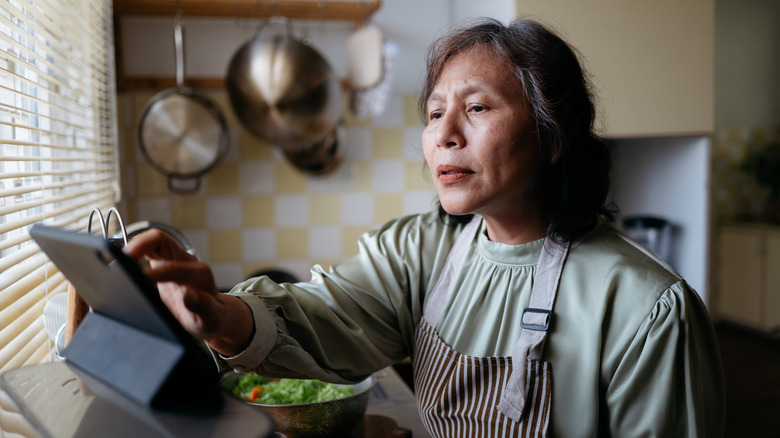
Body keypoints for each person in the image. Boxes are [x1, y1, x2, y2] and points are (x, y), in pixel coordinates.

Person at [125, 17, 725, 437]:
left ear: (551, 136)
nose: (444, 133)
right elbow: (322, 316)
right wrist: (218, 313)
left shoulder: (647, 310)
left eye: (478, 107)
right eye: (435, 111)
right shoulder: (420, 250)